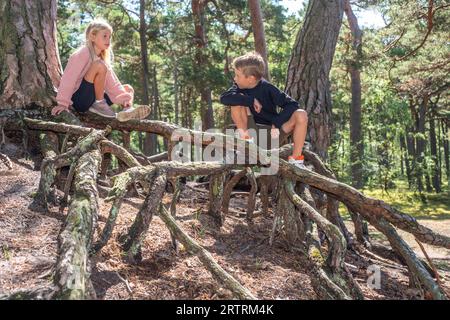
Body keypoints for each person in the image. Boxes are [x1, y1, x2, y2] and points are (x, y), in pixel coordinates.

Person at [220, 52, 308, 168]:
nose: (235, 79)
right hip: (251, 132)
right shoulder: (237, 88)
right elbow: (224, 98)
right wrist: (251, 100)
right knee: (236, 102)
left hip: (273, 134)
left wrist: (276, 123)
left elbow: (292, 105)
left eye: (237, 75)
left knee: (301, 114)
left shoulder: (268, 88)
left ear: (251, 79)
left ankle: (296, 160)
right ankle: (246, 144)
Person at [51, 18, 150, 122]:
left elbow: (113, 84)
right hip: (79, 100)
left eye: (109, 37)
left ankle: (127, 111)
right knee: (99, 66)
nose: (108, 40)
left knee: (128, 89)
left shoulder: (102, 59)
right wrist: (62, 103)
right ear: (93, 36)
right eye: (104, 36)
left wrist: (125, 100)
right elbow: (68, 79)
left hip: (91, 99)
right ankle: (99, 104)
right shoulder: (82, 53)